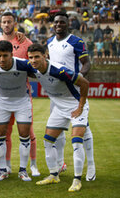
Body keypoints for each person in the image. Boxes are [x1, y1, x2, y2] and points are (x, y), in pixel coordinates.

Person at [0, 11, 40, 177]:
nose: (6, 25)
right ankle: (7, 167)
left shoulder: (25, 41)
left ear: (15, 23)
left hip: (23, 94)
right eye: (3, 22)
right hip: (3, 95)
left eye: (9, 22)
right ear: (0, 24)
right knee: (5, 132)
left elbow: (34, 63)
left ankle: (32, 165)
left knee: (28, 132)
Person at [28, 43, 90, 192]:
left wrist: (80, 107)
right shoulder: (32, 67)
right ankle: (54, 175)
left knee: (76, 142)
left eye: (37, 57)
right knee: (48, 141)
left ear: (45, 56)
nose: (34, 60)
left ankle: (77, 180)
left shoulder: (59, 70)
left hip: (75, 106)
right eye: (31, 57)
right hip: (59, 108)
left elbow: (85, 83)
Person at [47, 12, 95, 182]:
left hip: (73, 92)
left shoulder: (76, 41)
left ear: (68, 24)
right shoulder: (50, 42)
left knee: (82, 129)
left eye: (62, 22)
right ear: (52, 24)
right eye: (56, 22)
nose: (58, 24)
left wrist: (79, 77)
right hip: (57, 94)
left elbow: (86, 63)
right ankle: (60, 165)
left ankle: (91, 166)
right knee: (57, 131)